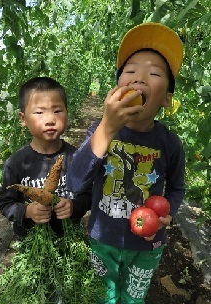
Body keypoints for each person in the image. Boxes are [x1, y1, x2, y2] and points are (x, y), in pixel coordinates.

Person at [67, 22, 185, 304]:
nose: (139, 78)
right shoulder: (101, 129)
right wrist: (106, 128)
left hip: (148, 244)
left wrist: (169, 214)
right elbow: (74, 183)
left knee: (134, 298)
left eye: (154, 73)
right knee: (102, 296)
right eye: (129, 71)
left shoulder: (170, 143)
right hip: (102, 239)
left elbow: (177, 188)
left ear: (167, 99)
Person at [0, 76, 91, 237]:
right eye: (39, 112)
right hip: (31, 242)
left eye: (57, 111)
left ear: (66, 113)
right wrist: (27, 211)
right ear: (23, 118)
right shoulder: (15, 163)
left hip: (68, 239)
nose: (49, 120)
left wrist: (73, 206)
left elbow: (89, 195)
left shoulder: (76, 158)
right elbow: (5, 203)